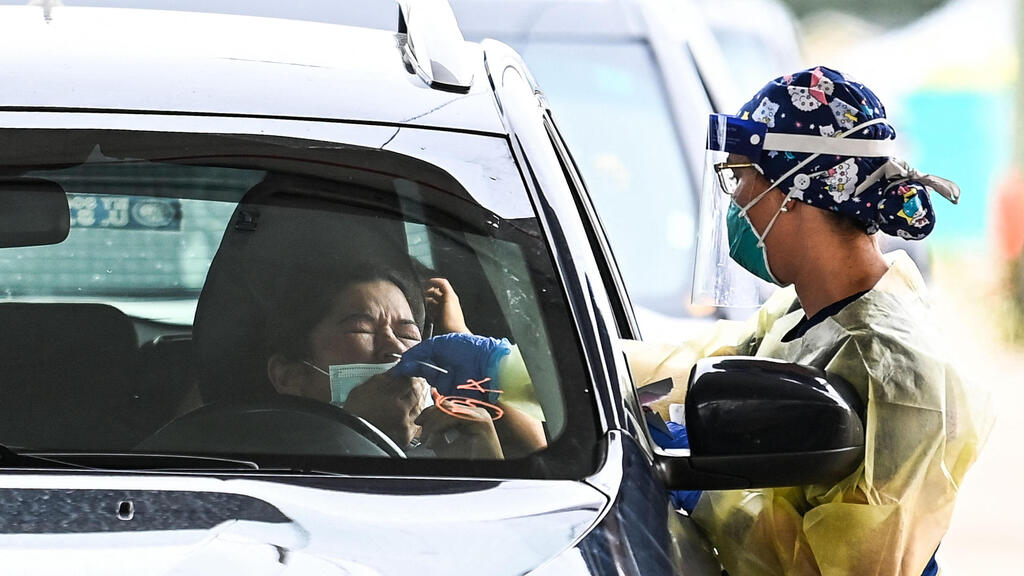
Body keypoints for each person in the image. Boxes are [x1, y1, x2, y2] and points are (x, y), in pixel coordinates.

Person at [625, 66, 993, 575]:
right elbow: (688, 370)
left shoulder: (898, 377)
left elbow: (838, 568)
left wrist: (704, 483)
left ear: (796, 194)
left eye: (742, 177)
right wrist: (526, 365)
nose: (735, 200)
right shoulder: (804, 313)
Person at [265, 263, 545, 459]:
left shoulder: (454, 443)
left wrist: (487, 466)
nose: (396, 347)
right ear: (290, 376)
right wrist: (363, 436)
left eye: (408, 333)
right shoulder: (260, 462)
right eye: (361, 329)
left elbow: (542, 461)